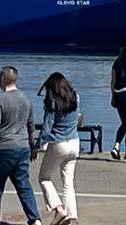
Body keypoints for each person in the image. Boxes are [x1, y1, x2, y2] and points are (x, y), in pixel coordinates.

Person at [0, 66, 41, 225]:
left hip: (4, 148)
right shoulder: (26, 99)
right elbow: (31, 126)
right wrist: (32, 147)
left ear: (3, 79)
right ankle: (34, 218)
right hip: (22, 148)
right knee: (24, 185)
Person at [35, 72, 80, 225]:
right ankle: (72, 216)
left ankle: (59, 209)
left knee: (44, 178)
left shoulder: (53, 102)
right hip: (74, 142)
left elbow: (46, 129)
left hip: (58, 143)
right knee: (68, 182)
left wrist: (36, 147)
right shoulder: (75, 97)